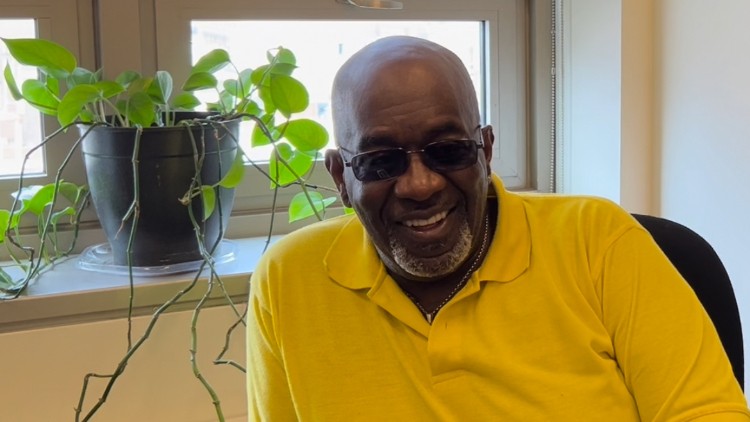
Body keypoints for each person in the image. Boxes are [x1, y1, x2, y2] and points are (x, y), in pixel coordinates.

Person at [246, 35, 749, 420]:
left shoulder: (598, 241)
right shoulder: (288, 282)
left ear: (485, 151)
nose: (420, 185)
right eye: (382, 161)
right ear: (340, 177)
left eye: (448, 151)